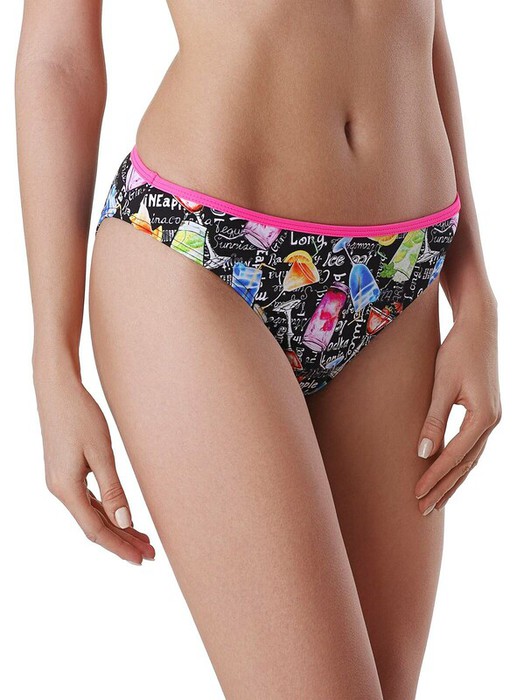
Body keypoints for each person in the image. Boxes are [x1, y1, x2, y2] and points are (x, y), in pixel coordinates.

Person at [15, 1, 501, 698]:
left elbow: (422, 21)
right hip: (202, 251)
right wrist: (53, 362)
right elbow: (57, 58)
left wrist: (475, 293)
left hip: (398, 271)